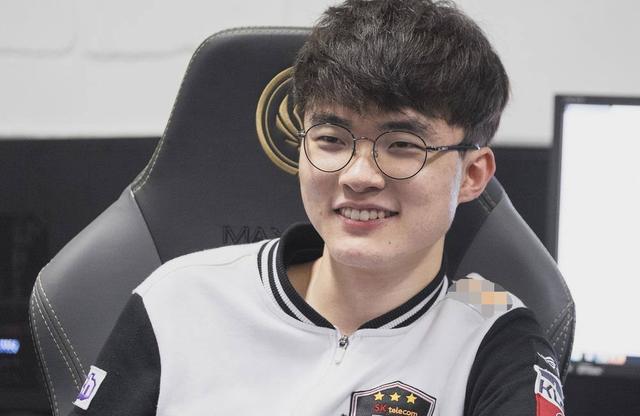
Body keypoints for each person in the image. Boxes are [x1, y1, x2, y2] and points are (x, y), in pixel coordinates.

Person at [70, 0, 565, 415]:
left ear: (472, 175)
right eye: (331, 139)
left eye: (402, 145)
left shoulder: (496, 334)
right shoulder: (180, 297)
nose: (358, 176)